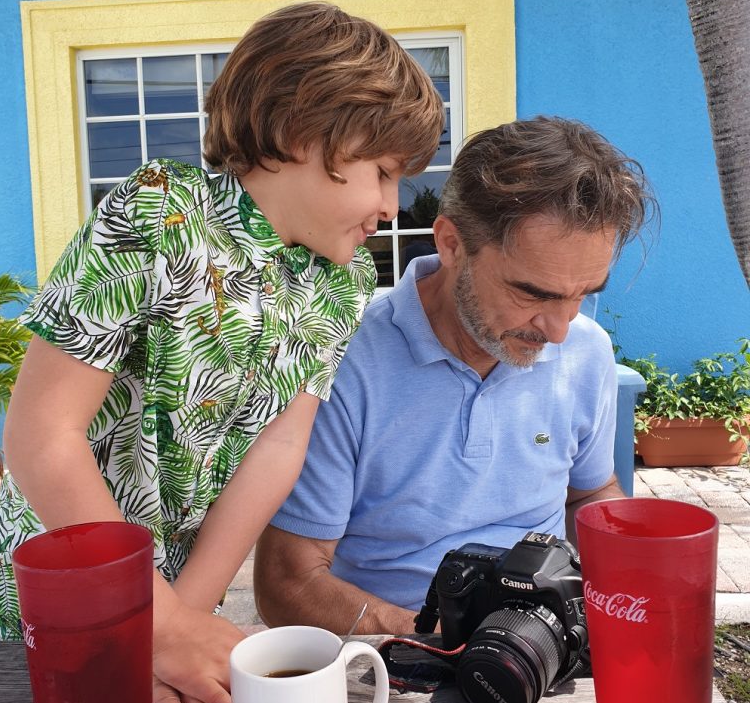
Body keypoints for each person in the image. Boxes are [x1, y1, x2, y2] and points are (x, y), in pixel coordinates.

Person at [0, 1, 445, 703]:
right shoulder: (159, 214)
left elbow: (277, 447)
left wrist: (182, 616)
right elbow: (43, 435)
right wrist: (154, 618)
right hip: (64, 577)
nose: (391, 206)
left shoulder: (341, 283)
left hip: (174, 591)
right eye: (383, 172)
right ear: (300, 135)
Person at [254, 117, 656, 638]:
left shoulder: (587, 351)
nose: (559, 332)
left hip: (541, 646)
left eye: (582, 294)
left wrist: (623, 588)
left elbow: (590, 492)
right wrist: (442, 638)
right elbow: (286, 582)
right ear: (450, 243)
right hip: (389, 658)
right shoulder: (342, 357)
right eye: (534, 294)